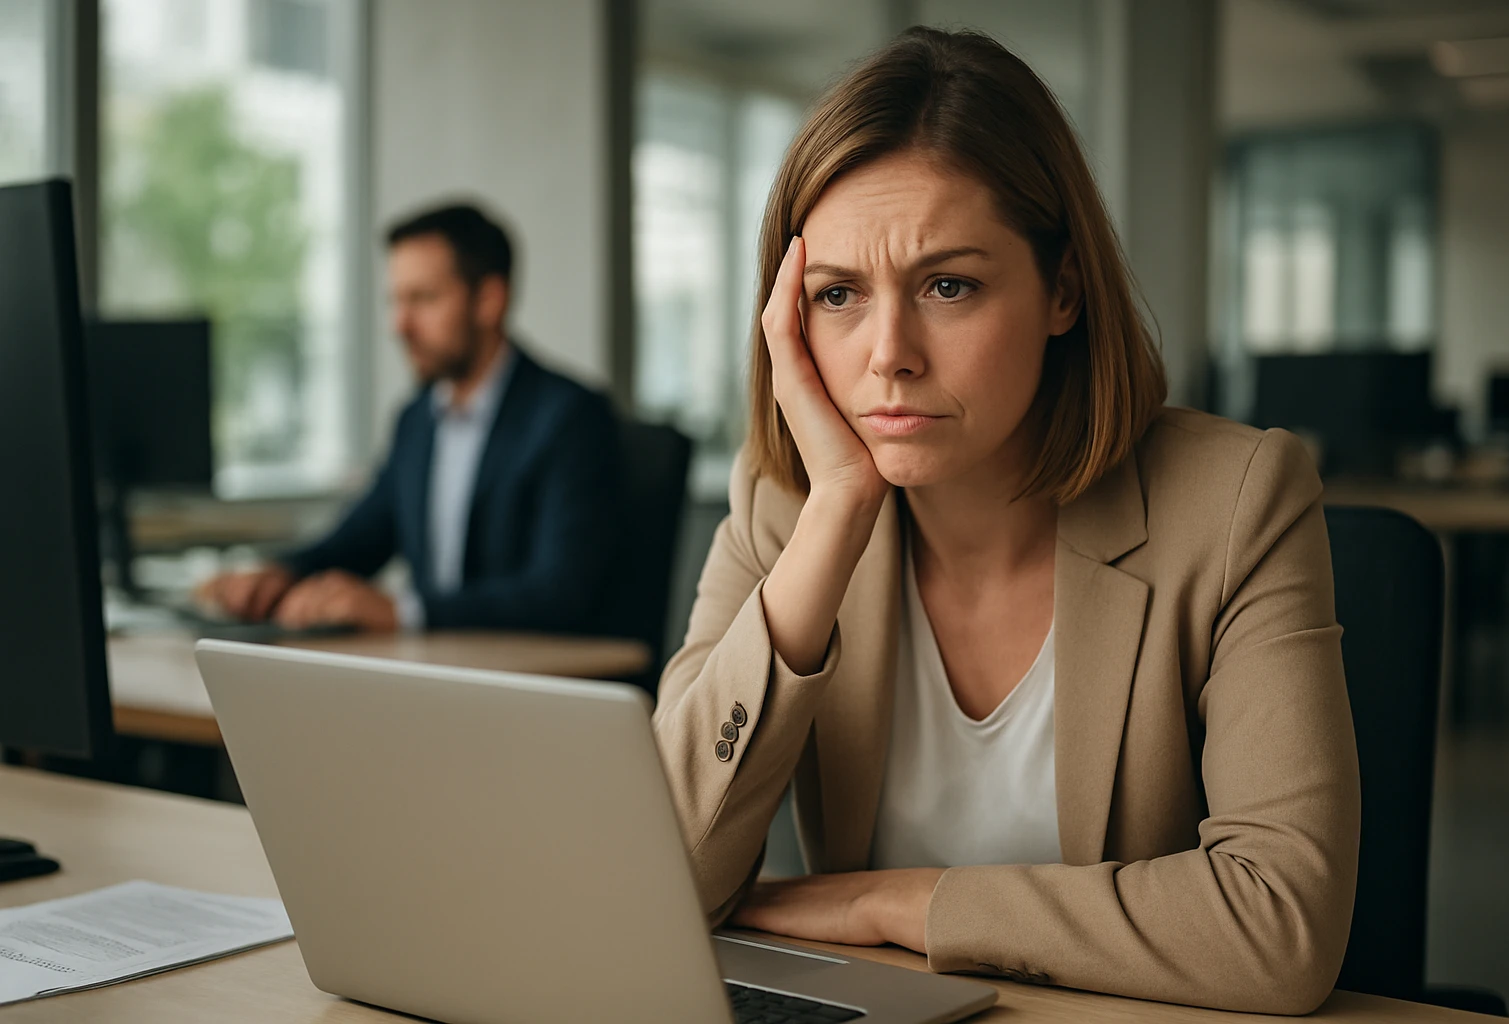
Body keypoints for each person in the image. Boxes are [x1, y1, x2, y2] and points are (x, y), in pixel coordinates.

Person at [652, 28, 1359, 1015]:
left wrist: (904, 904)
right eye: (838, 295)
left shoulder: (1239, 499)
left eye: (949, 285)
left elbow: (1278, 922)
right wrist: (838, 515)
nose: (887, 354)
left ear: (1063, 289)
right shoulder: (786, 507)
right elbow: (658, 879)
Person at [199, 203, 620, 633]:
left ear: (490, 301)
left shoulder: (569, 418)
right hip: (432, 673)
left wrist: (404, 612)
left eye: (423, 299)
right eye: (396, 301)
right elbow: (362, 538)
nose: (399, 324)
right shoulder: (417, 419)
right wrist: (280, 573)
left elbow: (560, 593)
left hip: (535, 680)